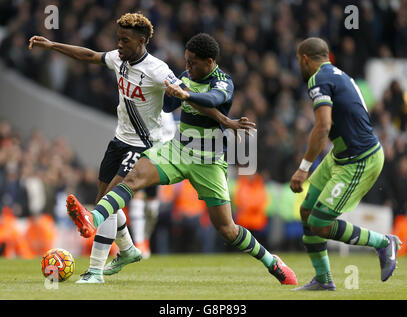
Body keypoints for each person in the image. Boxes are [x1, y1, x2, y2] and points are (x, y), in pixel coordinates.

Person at [28, 13, 246, 284]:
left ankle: (95, 271)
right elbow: (89, 55)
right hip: (120, 139)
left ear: (142, 41)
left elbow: (191, 100)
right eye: (118, 38)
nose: (119, 44)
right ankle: (129, 250)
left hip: (145, 144)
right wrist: (52, 45)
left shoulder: (158, 69)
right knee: (104, 202)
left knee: (108, 201)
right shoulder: (119, 58)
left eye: (125, 40)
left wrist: (225, 120)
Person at [65, 33, 298, 286]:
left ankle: (272, 261)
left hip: (207, 163)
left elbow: (214, 100)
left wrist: (186, 95)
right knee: (132, 178)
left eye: (192, 63)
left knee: (227, 229)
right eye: (186, 62)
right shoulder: (186, 76)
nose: (187, 68)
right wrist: (162, 92)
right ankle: (94, 218)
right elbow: (167, 107)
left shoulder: (223, 82)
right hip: (177, 151)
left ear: (209, 62)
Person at [289, 37, 402, 291]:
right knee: (307, 212)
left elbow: (323, 126)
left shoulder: (317, 79)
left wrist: (304, 167)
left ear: (305, 59)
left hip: (360, 159)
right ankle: (323, 279)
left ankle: (383, 243)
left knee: (319, 223)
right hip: (340, 155)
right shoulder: (339, 75)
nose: (299, 65)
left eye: (298, 60)